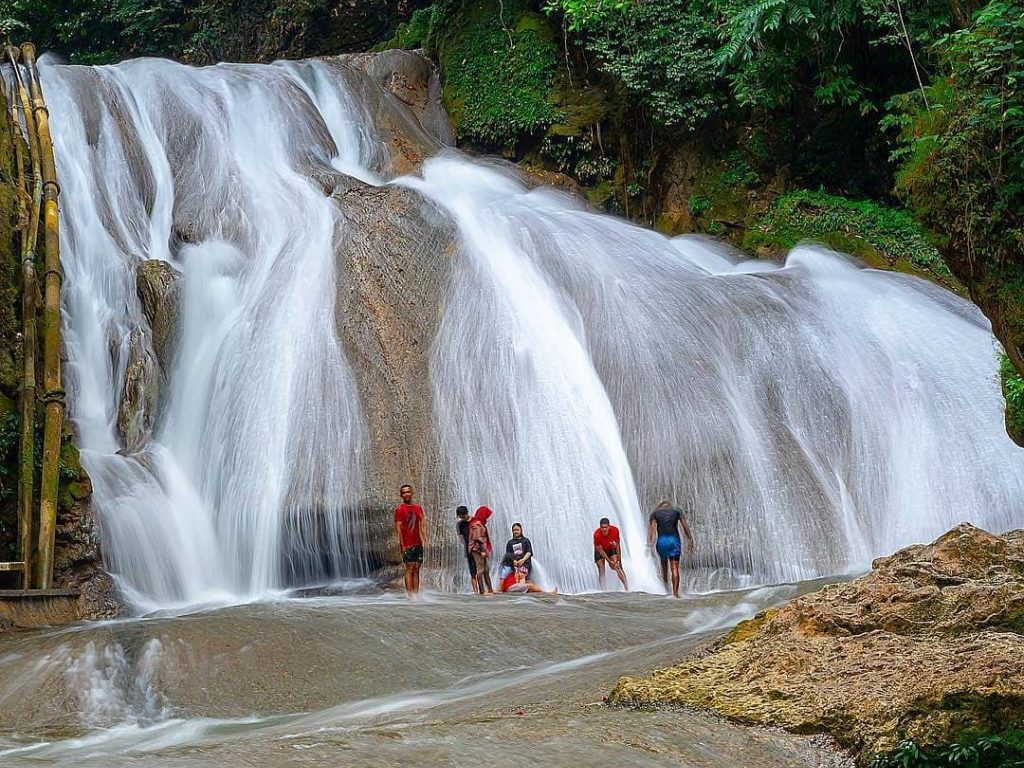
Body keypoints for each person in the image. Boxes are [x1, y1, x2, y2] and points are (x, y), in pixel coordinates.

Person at [647, 500, 694, 598]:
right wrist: (690, 539)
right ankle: (675, 594)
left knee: (664, 568)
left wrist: (649, 544)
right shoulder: (677, 511)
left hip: (661, 542)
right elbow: (685, 526)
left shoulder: (655, 513)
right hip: (673, 541)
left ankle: (666, 591)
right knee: (674, 568)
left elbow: (652, 529)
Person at [394, 484, 426, 598]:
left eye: (408, 492)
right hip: (407, 543)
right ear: (401, 495)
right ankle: (410, 596)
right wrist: (402, 545)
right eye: (404, 492)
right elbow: (398, 529)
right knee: (409, 568)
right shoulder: (399, 509)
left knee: (417, 568)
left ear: (412, 493)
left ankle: (416, 595)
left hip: (418, 542)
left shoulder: (418, 508)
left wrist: (425, 538)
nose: (407, 494)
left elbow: (422, 523)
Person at [593, 517, 628, 591]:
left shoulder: (615, 530)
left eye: (606, 527)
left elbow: (618, 546)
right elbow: (600, 550)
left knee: (617, 566)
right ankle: (603, 590)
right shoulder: (596, 534)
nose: (604, 529)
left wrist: (619, 560)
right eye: (602, 528)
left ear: (609, 526)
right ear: (600, 527)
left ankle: (627, 588)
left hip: (610, 548)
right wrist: (609, 561)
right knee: (601, 568)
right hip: (600, 551)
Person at [467, 506, 494, 594]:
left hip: (482, 550)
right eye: (487, 515)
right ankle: (482, 591)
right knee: (480, 570)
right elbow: (477, 539)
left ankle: (490, 589)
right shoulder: (477, 525)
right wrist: (481, 551)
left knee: (486, 570)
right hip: (477, 551)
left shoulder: (479, 523)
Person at [455, 505, 480, 593]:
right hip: (469, 551)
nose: (462, 518)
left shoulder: (475, 521)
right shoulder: (460, 524)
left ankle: (483, 590)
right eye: (460, 517)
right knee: (473, 572)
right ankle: (476, 592)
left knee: (480, 571)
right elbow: (461, 538)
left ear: (466, 513)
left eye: (463, 516)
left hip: (479, 550)